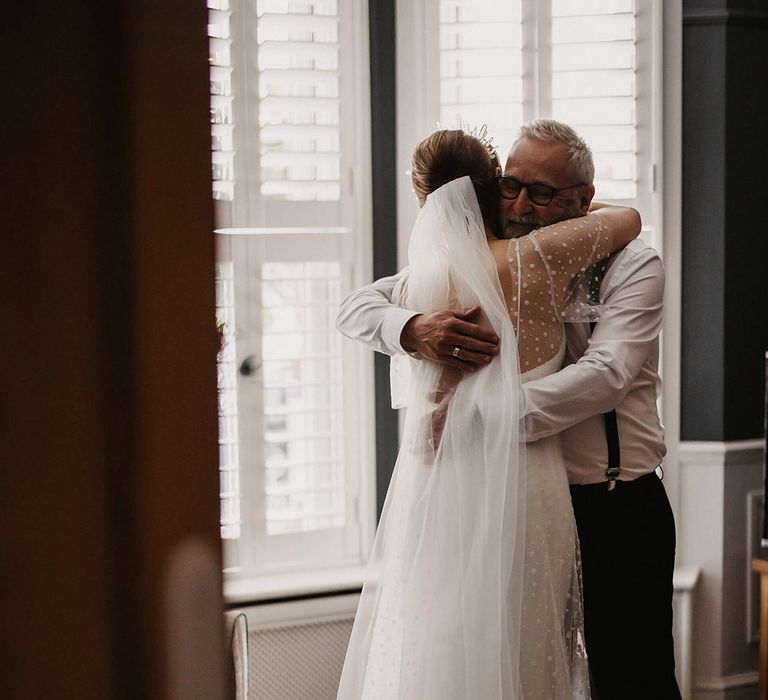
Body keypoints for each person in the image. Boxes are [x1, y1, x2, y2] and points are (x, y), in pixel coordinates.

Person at [337, 119, 680, 699]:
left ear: (584, 200)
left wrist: (478, 417)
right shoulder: (488, 256)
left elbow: (607, 376)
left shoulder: (633, 265)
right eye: (510, 185)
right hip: (517, 504)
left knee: (632, 679)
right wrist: (412, 327)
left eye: (542, 192)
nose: (521, 204)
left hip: (613, 508)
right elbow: (357, 305)